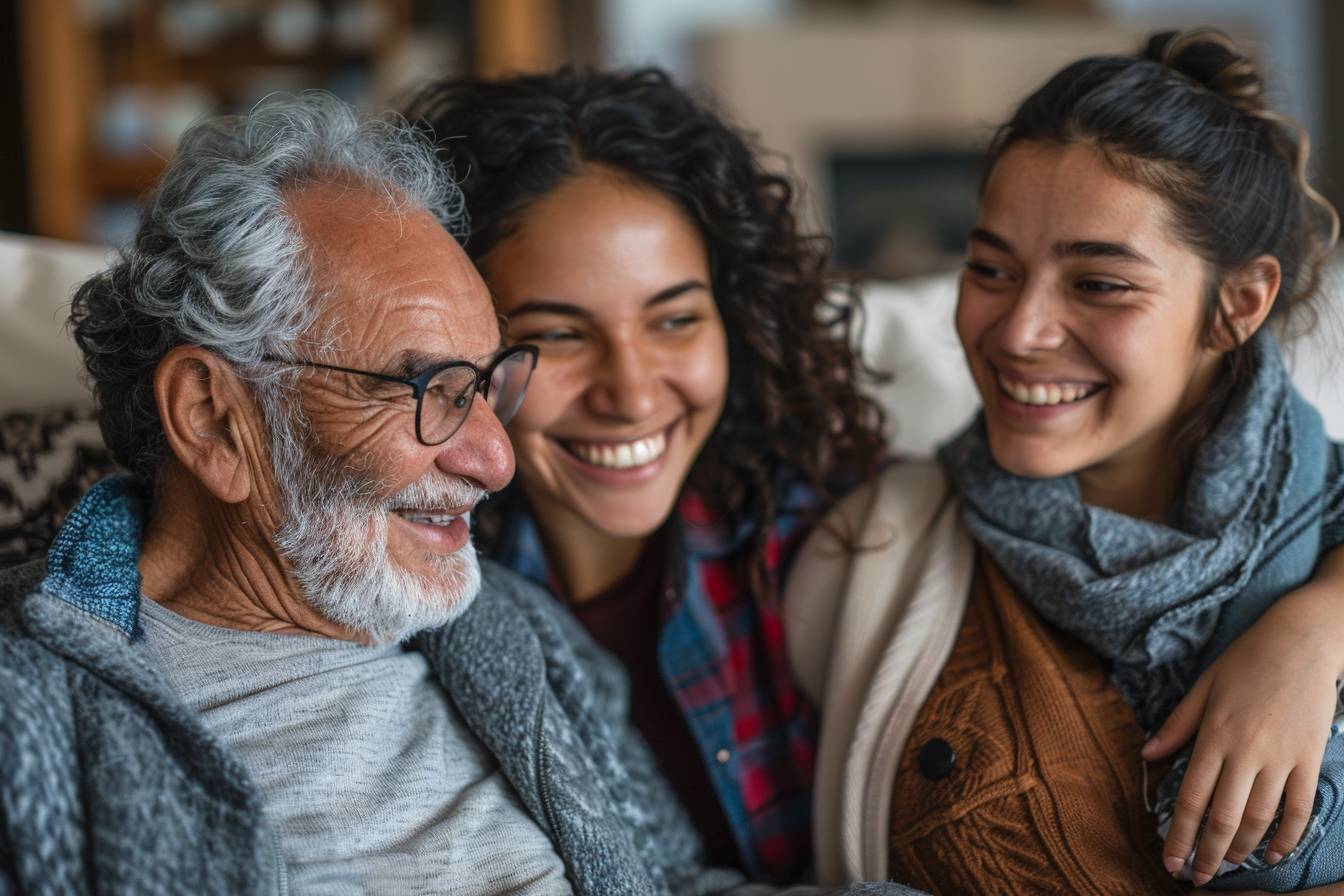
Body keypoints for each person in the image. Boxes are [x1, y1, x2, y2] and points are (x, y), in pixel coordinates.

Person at [0, 91, 922, 896]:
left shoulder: (513, 633)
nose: (494, 458)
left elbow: (674, 882)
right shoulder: (33, 713)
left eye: (486, 385)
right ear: (212, 417)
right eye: (427, 389)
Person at [786, 29, 1344, 894]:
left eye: (1098, 283)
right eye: (990, 268)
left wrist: (1310, 630)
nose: (1017, 333)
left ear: (1238, 305)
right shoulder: (868, 551)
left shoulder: (1325, 530)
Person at [404, 69, 886, 881]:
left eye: (674, 320)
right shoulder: (407, 588)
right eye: (559, 335)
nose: (630, 393)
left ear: (735, 318)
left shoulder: (846, 534)